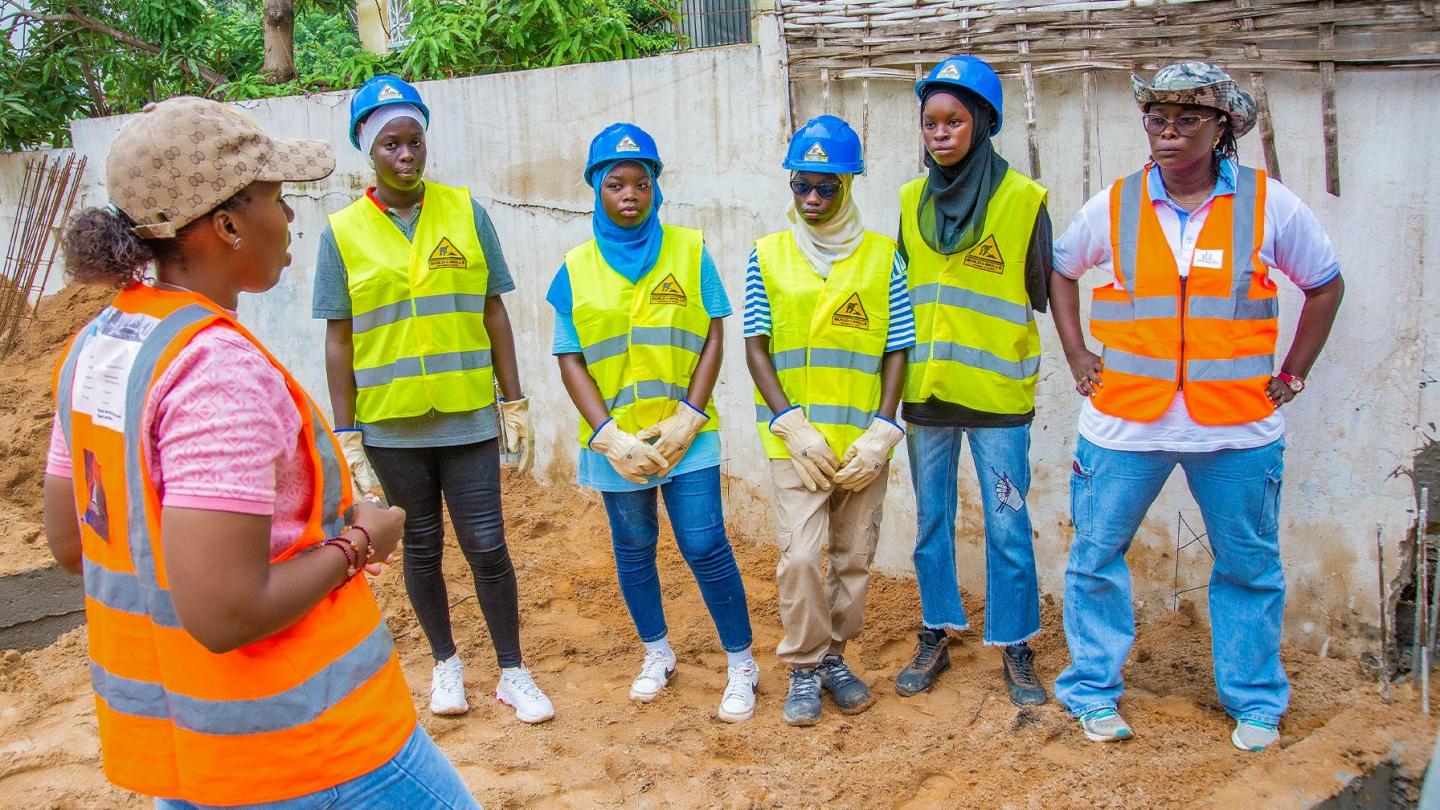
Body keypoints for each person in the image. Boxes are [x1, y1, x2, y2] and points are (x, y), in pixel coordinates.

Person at [45, 96, 479, 808]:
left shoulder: (102, 346)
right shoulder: (214, 371)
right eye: (276, 199)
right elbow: (226, 613)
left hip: (193, 749)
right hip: (306, 744)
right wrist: (359, 541)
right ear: (226, 224)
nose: (289, 218)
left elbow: (72, 541)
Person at [1050, 61, 1344, 750]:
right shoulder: (1114, 204)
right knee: (1095, 559)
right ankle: (1092, 690)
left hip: (1238, 427)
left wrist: (1294, 373)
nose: (1169, 131)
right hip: (1124, 423)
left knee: (1248, 567)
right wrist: (1077, 354)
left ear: (1223, 129)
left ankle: (1255, 702)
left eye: (1188, 118)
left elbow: (1325, 285)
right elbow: (1061, 271)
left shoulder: (1270, 205)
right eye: (1157, 118)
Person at [314, 75, 552, 723]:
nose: (406, 155)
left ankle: (512, 671)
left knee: (487, 546)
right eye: (391, 144)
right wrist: (347, 432)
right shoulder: (342, 232)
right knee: (420, 548)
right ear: (370, 148)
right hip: (391, 428)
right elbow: (339, 340)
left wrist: (514, 400)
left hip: (469, 417)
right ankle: (446, 666)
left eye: (414, 141)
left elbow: (493, 312)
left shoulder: (465, 212)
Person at [547, 122, 760, 722]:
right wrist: (606, 435)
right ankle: (657, 653)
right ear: (596, 189)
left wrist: (691, 415)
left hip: (687, 435)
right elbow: (570, 358)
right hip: (617, 443)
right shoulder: (575, 267)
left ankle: (742, 662)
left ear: (656, 189)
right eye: (615, 183)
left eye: (641, 183)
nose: (630, 194)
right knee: (635, 548)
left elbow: (715, 331)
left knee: (704, 543)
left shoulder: (689, 250)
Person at [893, 55, 1053, 707]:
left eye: (954, 120)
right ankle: (936, 629)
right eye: (931, 121)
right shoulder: (908, 200)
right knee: (932, 520)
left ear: (984, 122)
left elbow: (1044, 291)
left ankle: (1016, 644)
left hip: (997, 404)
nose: (940, 132)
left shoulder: (1024, 201)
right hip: (925, 398)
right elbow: (899, 295)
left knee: (1008, 522)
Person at [743, 115, 914, 726]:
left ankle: (834, 657)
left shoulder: (883, 257)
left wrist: (883, 429)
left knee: (852, 557)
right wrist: (788, 422)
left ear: (848, 186)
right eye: (802, 187)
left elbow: (898, 346)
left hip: (860, 442)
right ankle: (803, 664)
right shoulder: (766, 255)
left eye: (827, 188)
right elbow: (755, 345)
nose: (813, 200)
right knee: (798, 556)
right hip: (798, 444)